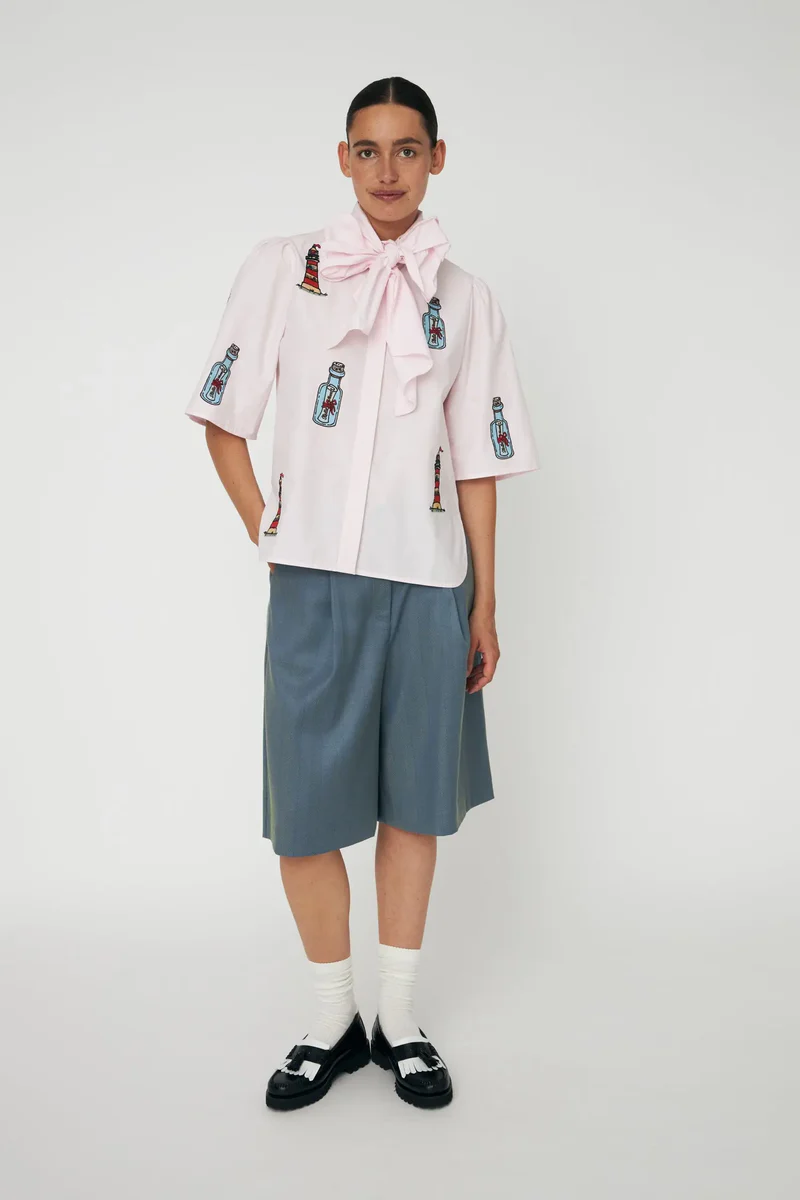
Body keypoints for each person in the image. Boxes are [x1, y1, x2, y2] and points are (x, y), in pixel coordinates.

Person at [185, 76, 540, 1112]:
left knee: (412, 807)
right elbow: (222, 416)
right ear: (342, 158)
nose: (388, 170)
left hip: (429, 585)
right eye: (368, 149)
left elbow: (476, 461)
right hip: (313, 584)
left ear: (437, 158)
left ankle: (399, 1018)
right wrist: (270, 529)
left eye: (407, 149)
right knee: (303, 814)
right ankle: (329, 1018)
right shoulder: (281, 269)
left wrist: (482, 601)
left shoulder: (466, 299)